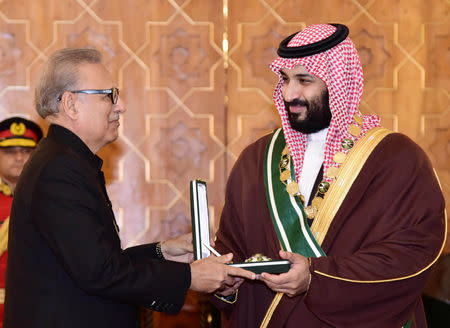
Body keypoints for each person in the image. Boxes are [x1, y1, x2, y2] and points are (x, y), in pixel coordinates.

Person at [211, 23, 446, 327]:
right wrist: (226, 286)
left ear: (338, 82)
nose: (289, 93)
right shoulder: (256, 160)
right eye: (284, 79)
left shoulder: (397, 160)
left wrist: (316, 278)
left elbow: (411, 255)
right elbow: (231, 249)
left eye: (304, 80)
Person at [4, 48, 254, 328]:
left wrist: (163, 251)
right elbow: (100, 272)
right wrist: (190, 277)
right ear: (71, 104)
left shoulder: (65, 161)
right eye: (108, 95)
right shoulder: (59, 169)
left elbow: (97, 261)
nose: (120, 105)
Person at [0, 117, 42, 327]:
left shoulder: (49, 199)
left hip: (37, 308)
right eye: (9, 151)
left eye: (26, 151)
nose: (19, 158)